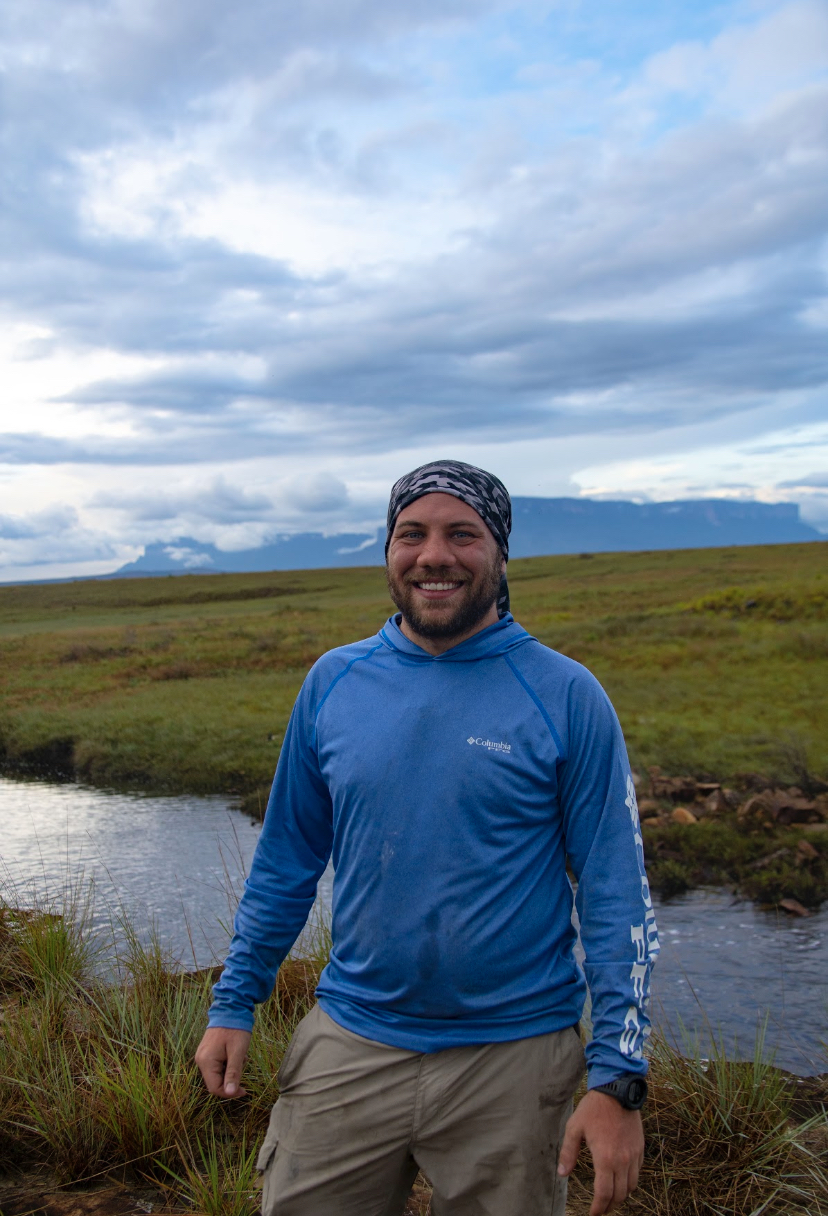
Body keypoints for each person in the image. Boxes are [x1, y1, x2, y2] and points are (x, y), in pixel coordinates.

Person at [195, 459, 659, 1216]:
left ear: (499, 553)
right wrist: (234, 1003)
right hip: (352, 1042)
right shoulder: (334, 683)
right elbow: (285, 863)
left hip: (514, 1062)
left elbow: (615, 895)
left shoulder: (566, 694)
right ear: (388, 551)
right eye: (411, 534)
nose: (433, 555)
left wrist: (616, 1080)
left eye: (461, 534)